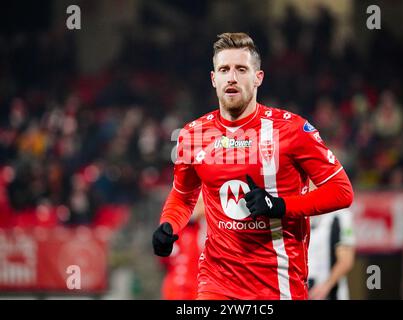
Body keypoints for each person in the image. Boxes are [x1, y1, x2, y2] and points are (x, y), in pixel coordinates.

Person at [152, 32, 353, 300]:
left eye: (241, 69)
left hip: (277, 286)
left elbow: (342, 192)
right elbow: (183, 195)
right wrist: (168, 225)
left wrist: (280, 206)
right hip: (216, 282)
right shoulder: (194, 135)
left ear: (258, 77)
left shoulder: (293, 130)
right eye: (224, 69)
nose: (231, 77)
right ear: (214, 79)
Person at [158, 194, 206, 300]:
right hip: (174, 288)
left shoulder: (204, 230)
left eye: (199, 204)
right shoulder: (175, 230)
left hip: (197, 289)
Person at [307, 208, 355, 300]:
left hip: (330, 294)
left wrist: (325, 287)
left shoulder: (340, 216)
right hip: (303, 290)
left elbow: (346, 261)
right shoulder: (301, 214)